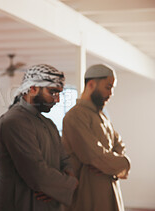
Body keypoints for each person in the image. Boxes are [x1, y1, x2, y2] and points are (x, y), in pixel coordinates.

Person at [0, 64, 78, 211]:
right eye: (52, 92)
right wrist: (61, 186)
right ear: (33, 89)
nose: (57, 100)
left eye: (59, 94)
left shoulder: (49, 124)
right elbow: (37, 175)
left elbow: (65, 161)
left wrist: (54, 188)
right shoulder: (14, 121)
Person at [62, 64, 131, 211]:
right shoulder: (75, 116)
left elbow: (120, 146)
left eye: (112, 88)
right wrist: (120, 163)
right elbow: (95, 157)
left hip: (110, 192)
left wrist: (119, 162)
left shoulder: (102, 116)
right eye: (108, 87)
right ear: (91, 84)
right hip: (88, 196)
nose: (111, 93)